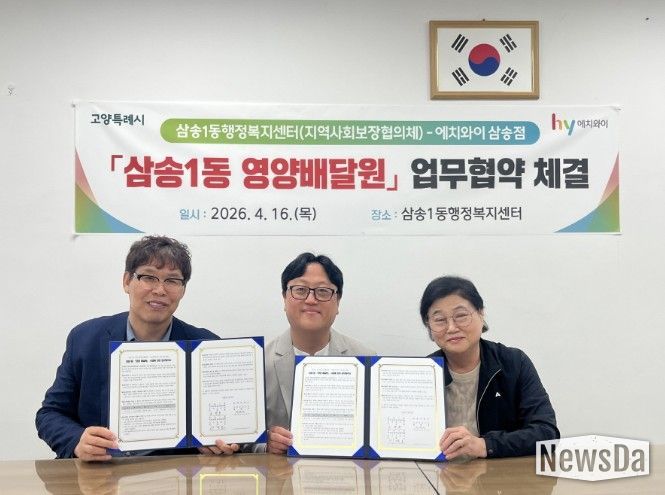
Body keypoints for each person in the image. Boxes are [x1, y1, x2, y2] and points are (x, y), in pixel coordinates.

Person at [36, 235, 239, 460]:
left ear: (183, 290)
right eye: (149, 277)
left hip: (174, 472)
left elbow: (226, 427)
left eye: (172, 280)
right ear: (126, 281)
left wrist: (221, 441)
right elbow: (50, 414)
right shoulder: (85, 338)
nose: (160, 290)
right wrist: (77, 440)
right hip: (101, 472)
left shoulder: (205, 347)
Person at [420, 276, 559, 459]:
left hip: (498, 475)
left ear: (481, 313)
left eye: (461, 316)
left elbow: (546, 433)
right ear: (429, 325)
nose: (451, 328)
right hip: (437, 474)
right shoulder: (421, 373)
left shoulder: (514, 363)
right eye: (440, 320)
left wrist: (485, 445)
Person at [262, 252, 375, 454]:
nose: (311, 299)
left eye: (322, 291)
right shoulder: (259, 363)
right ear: (284, 298)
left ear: (337, 302)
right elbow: (240, 440)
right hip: (278, 472)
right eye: (300, 290)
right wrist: (266, 444)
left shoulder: (367, 360)